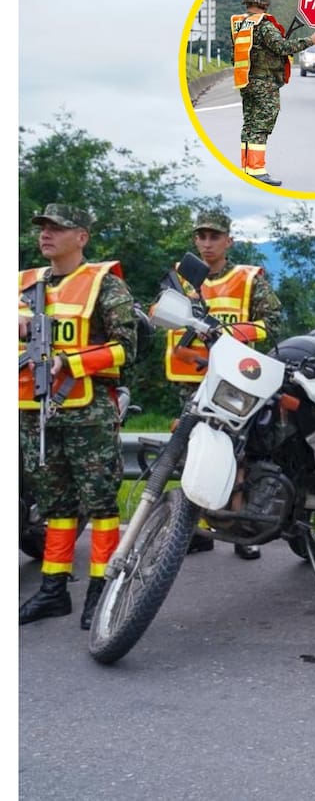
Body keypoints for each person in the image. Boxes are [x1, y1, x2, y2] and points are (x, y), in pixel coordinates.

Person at [18, 204, 139, 628]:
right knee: (55, 505)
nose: (46, 234)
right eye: (43, 228)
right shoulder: (23, 284)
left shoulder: (104, 285)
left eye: (57, 228)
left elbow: (128, 349)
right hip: (35, 411)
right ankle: (53, 590)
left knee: (101, 504)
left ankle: (100, 592)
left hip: (88, 410)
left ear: (81, 237)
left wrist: (71, 362)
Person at [165, 208, 283, 560]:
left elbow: (272, 323)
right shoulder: (181, 276)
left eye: (214, 237)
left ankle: (240, 528)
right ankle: (196, 528)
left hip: (235, 381)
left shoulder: (248, 278)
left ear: (228, 241)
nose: (206, 243)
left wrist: (229, 334)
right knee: (191, 454)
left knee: (235, 452)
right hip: (192, 378)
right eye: (201, 236)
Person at [232, 0, 315, 186]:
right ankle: (256, 171)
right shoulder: (264, 25)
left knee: (249, 124)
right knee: (261, 125)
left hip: (247, 80)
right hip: (264, 83)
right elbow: (282, 47)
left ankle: (247, 168)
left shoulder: (241, 23)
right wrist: (311, 40)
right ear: (263, 0)